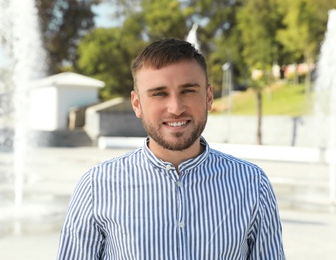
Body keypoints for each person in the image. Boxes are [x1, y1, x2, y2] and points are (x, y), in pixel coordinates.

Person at [57, 38, 285, 259]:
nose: (176, 108)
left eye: (188, 91)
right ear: (137, 104)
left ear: (208, 97)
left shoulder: (253, 184)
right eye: (159, 93)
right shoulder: (96, 187)